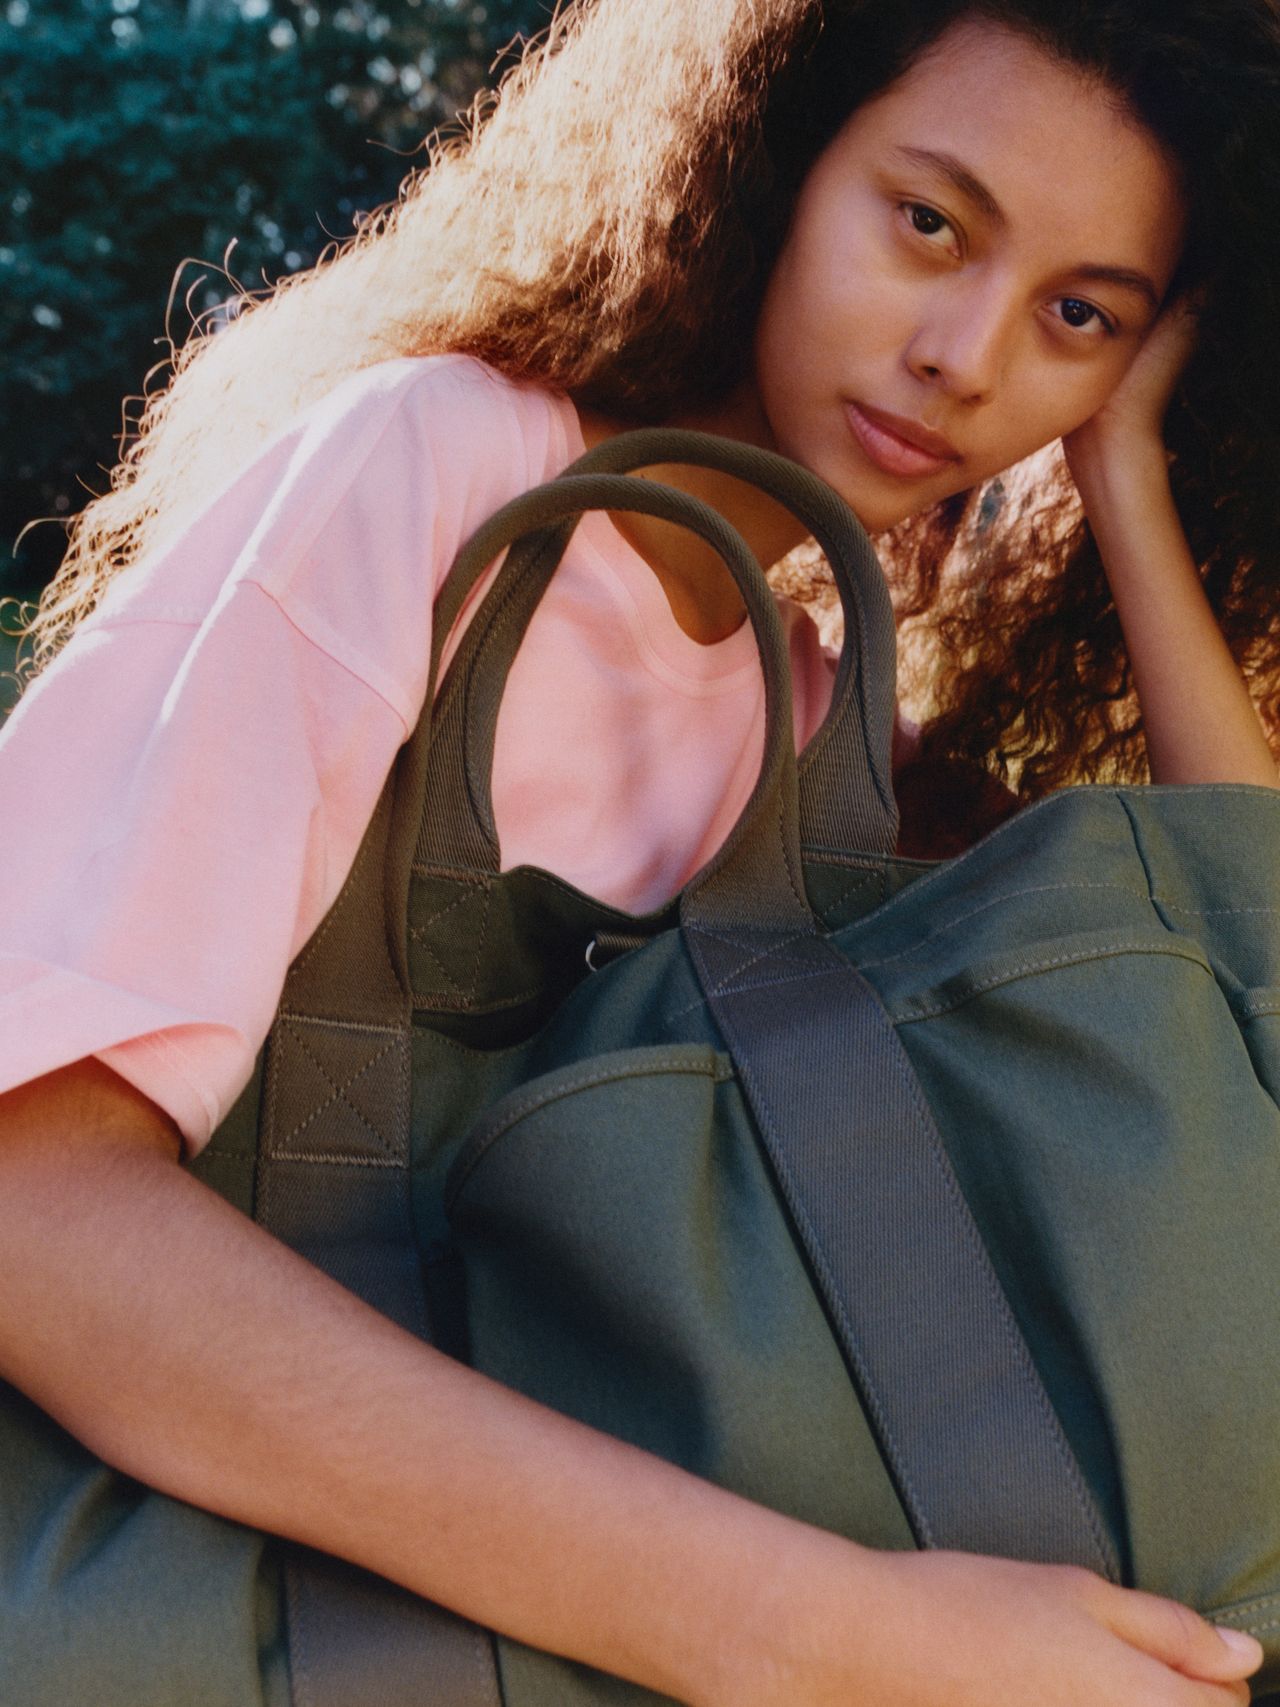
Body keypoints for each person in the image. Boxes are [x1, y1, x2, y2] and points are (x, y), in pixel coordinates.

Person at [1, 0, 1277, 1700]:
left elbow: (1246, 997)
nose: (967, 355)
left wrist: (1128, 485)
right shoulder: (435, 471)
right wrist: (830, 1632)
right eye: (928, 224)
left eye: (1076, 313)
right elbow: (32, 1210)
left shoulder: (818, 731)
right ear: (772, 156)